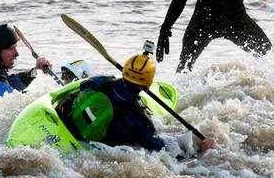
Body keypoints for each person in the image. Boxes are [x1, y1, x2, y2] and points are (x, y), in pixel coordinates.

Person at [65, 50, 216, 154]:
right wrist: (199, 152)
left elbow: (82, 85)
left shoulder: (102, 81)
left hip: (71, 126)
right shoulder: (139, 115)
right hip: (101, 146)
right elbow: (157, 148)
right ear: (148, 82)